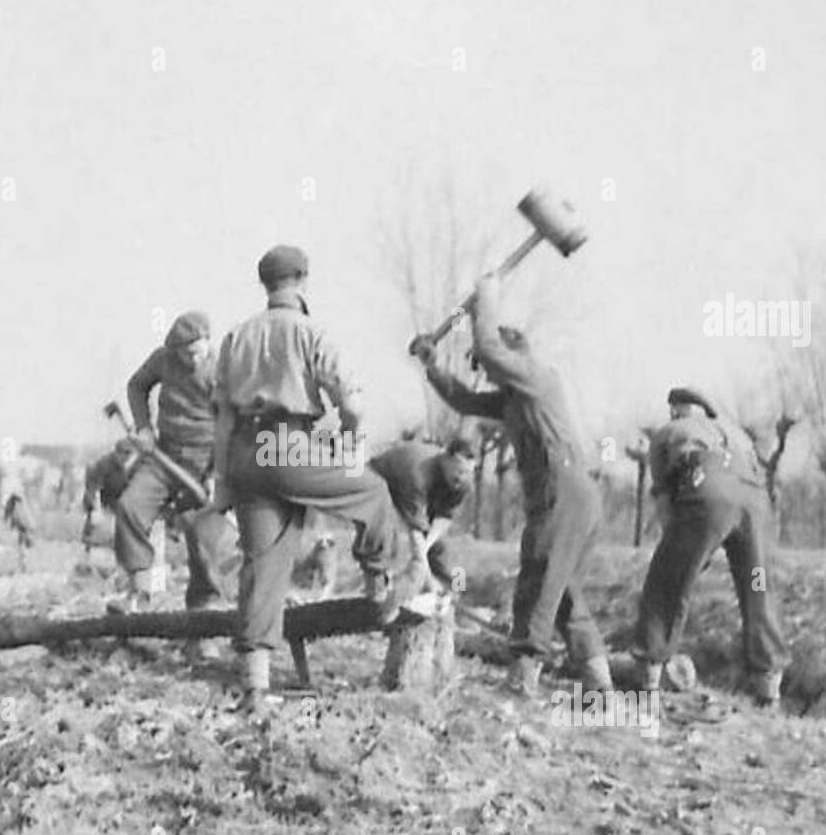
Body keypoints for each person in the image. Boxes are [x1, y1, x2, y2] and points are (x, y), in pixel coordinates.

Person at [210, 244, 406, 714]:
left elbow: (221, 417)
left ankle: (255, 687)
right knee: (375, 493)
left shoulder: (236, 337)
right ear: (303, 281)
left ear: (265, 285)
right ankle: (381, 591)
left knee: (264, 562)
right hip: (289, 443)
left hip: (245, 452)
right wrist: (350, 443)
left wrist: (222, 479)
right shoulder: (310, 332)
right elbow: (353, 405)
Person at [411, 272, 612, 695]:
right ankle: (599, 679)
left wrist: (488, 298)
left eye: (487, 367)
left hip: (566, 491)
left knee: (537, 578)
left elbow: (488, 345)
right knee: (563, 590)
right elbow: (464, 400)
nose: (485, 374)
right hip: (569, 496)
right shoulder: (515, 399)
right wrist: (432, 366)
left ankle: (523, 676)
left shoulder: (536, 378)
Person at [634, 387, 787, 704]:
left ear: (677, 410)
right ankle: (768, 681)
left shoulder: (669, 432)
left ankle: (650, 669)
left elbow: (665, 506)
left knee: (667, 580)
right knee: (757, 585)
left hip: (709, 489)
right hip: (755, 499)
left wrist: (685, 555)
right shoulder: (736, 433)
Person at [111, 312, 229, 611]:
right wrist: (144, 427)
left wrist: (218, 474)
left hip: (205, 463)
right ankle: (138, 592)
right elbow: (137, 386)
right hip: (164, 456)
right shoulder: (163, 360)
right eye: (184, 353)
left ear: (207, 342)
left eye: (196, 352)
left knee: (202, 537)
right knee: (131, 506)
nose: (190, 359)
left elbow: (231, 424)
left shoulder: (225, 369)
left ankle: (205, 612)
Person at [369, 437, 476, 593]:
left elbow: (445, 517)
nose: (462, 477)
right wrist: (422, 564)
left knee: (439, 549)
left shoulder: (463, 483)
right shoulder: (418, 473)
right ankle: (382, 590)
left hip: (423, 496)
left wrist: (426, 546)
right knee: (389, 542)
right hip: (379, 483)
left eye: (467, 472)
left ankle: (455, 592)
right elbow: (415, 529)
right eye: (459, 471)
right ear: (446, 460)